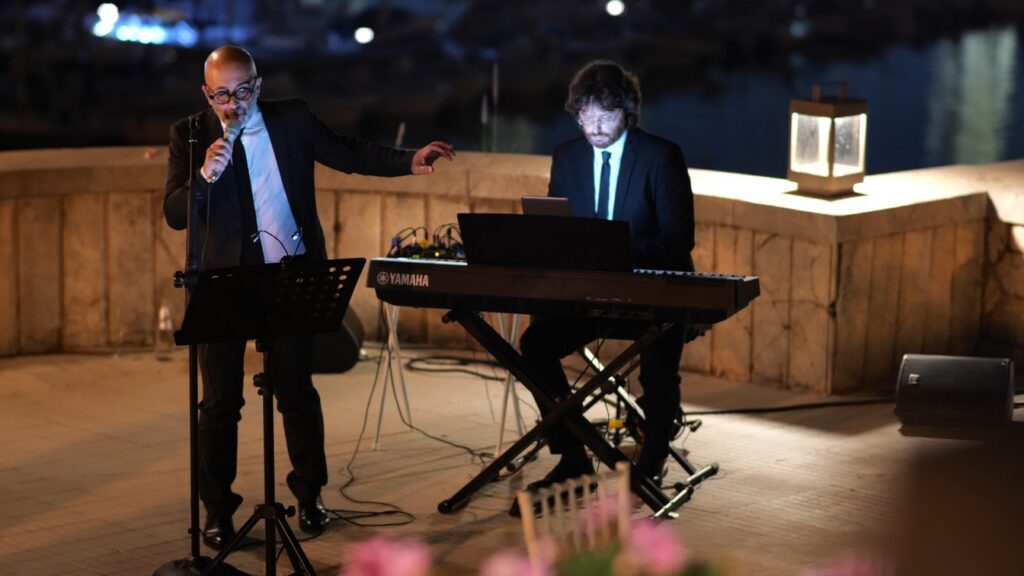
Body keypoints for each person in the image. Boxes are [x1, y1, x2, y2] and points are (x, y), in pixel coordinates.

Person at [164, 46, 454, 548]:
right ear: (206, 93)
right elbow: (173, 213)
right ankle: (217, 510)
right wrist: (203, 176)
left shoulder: (292, 119)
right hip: (225, 283)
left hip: (292, 275)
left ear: (260, 83)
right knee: (219, 404)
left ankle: (311, 494)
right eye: (223, 95)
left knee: (295, 392)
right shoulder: (189, 136)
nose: (235, 103)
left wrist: (410, 161)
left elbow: (349, 152)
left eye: (245, 90)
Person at [514, 60, 695, 514]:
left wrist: (620, 254)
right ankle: (574, 457)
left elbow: (678, 238)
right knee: (535, 344)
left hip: (652, 292)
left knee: (656, 363)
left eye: (606, 117)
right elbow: (560, 231)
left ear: (628, 113)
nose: (593, 127)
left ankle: (651, 459)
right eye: (585, 117)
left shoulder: (660, 155)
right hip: (587, 294)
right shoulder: (567, 155)